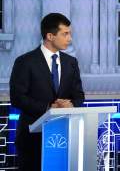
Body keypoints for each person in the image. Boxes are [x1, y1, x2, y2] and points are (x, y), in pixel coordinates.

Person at [10, 13, 85, 171]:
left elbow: (79, 95)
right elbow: (17, 98)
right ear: (50, 36)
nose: (69, 38)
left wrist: (70, 104)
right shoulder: (25, 62)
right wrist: (48, 109)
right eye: (65, 34)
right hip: (32, 140)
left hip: (65, 137)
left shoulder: (71, 62)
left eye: (70, 34)